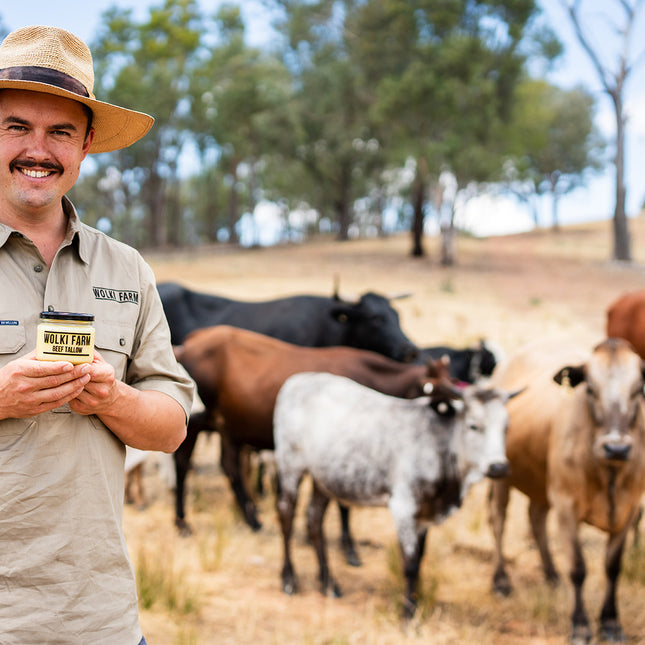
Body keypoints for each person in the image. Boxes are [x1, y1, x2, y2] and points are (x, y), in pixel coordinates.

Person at [0, 25, 194, 645]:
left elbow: (170, 428)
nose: (39, 149)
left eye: (60, 131)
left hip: (99, 621)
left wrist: (114, 399)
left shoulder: (126, 269)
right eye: (16, 127)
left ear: (86, 146)